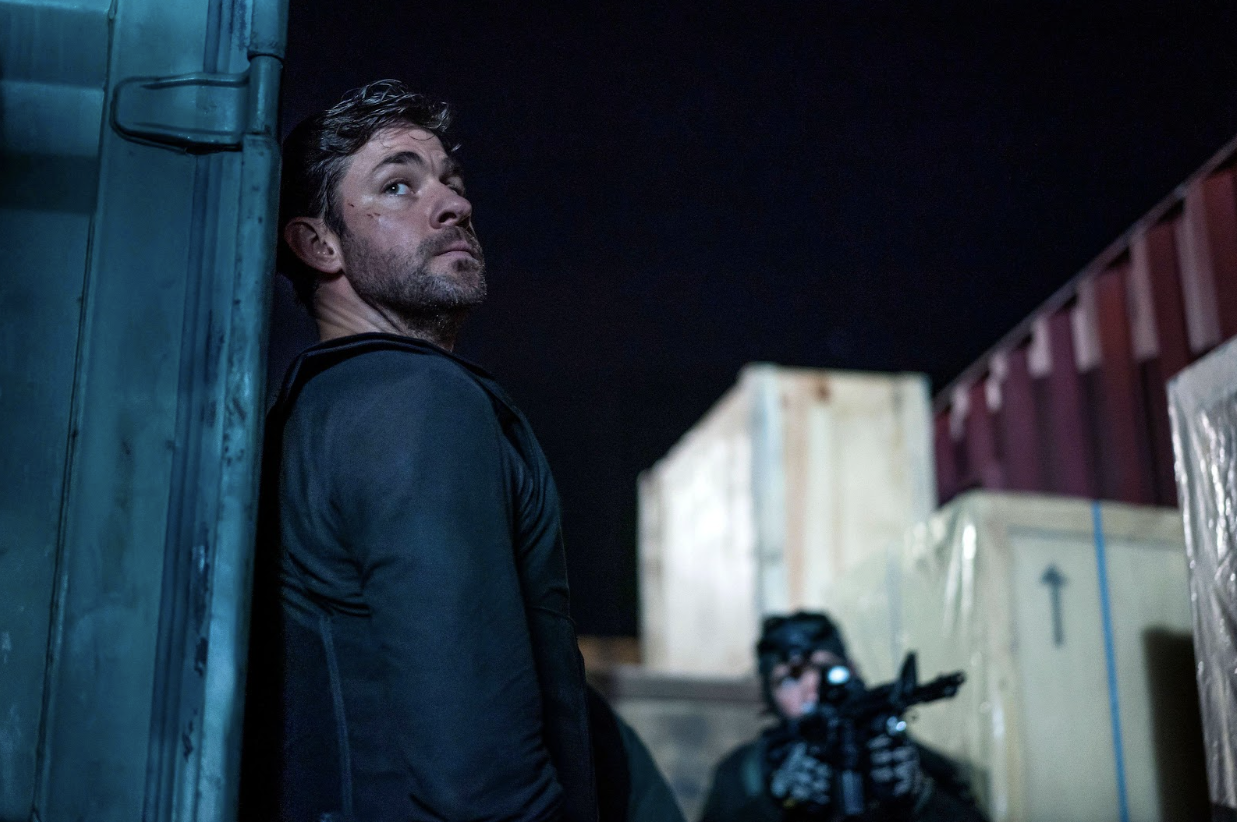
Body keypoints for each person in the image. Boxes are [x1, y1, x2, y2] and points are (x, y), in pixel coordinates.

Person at [241, 79, 678, 822]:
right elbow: (481, 783)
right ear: (319, 243)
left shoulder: (316, 410)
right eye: (399, 185)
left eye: (452, 182)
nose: (454, 206)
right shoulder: (416, 402)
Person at [699, 613, 986, 822]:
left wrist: (920, 799)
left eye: (827, 671)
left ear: (853, 671)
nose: (813, 689)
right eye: (791, 679)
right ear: (769, 697)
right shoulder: (743, 773)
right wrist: (775, 803)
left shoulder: (909, 761)